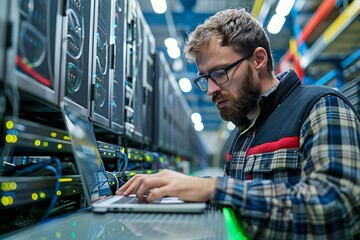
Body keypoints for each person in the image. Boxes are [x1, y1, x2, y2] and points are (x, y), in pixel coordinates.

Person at [116, 8, 360, 239]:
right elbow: (241, 199)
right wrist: (180, 186)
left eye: (219, 73)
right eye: (205, 78)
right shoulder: (245, 129)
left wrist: (213, 189)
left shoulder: (321, 106)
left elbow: (340, 208)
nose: (211, 90)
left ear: (258, 60)